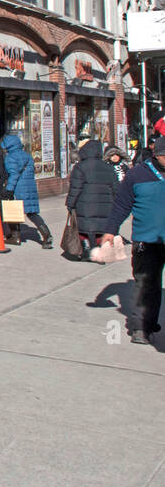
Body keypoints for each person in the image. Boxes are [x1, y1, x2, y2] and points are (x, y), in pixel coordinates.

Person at [99, 137, 165, 345]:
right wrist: (110, 231)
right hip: (146, 240)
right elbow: (121, 205)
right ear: (156, 154)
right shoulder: (138, 174)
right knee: (146, 285)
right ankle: (140, 327)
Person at [65, 140, 116, 260]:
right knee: (100, 228)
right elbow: (115, 188)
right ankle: (99, 252)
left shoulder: (80, 167)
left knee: (86, 229)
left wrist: (70, 204)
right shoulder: (108, 167)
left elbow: (75, 188)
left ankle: (88, 252)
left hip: (85, 205)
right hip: (105, 205)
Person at [0, 133, 52, 248]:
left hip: (18, 188)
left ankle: (15, 237)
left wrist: (8, 189)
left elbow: (13, 175)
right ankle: (46, 234)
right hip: (29, 187)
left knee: (12, 212)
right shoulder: (27, 156)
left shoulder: (10, 158)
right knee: (32, 213)